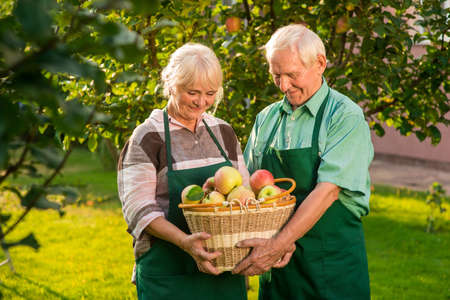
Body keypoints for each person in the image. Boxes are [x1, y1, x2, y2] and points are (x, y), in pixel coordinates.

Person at [233, 24, 374, 299]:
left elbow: (328, 192)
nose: (284, 85)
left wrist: (277, 245)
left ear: (320, 63)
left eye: (292, 74)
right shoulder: (267, 119)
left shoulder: (344, 117)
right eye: (277, 75)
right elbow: (248, 187)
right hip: (278, 270)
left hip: (330, 267)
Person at [117, 43, 249, 300]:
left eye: (210, 93)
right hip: (169, 272)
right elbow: (138, 210)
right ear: (171, 84)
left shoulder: (224, 132)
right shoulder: (148, 136)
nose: (202, 102)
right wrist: (186, 242)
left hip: (222, 269)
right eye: (193, 92)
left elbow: (243, 194)